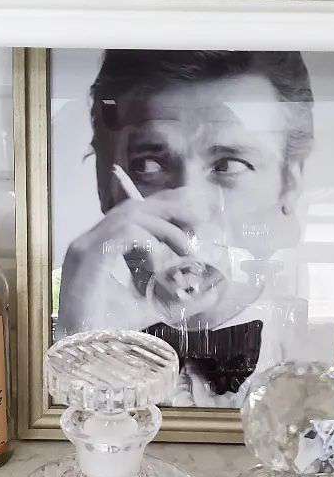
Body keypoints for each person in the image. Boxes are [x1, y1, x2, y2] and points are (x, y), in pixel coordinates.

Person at [58, 50, 315, 407]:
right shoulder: (73, 319)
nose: (189, 212)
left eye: (228, 164)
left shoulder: (322, 354)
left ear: (290, 181)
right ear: (106, 183)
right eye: (149, 164)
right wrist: (76, 337)